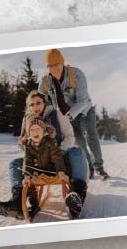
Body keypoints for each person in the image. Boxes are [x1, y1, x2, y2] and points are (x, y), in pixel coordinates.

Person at [0, 91, 89, 220]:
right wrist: (23, 143)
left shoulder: (56, 114)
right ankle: (17, 203)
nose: (35, 107)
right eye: (31, 104)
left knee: (77, 152)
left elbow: (70, 135)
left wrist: (59, 150)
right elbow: (24, 142)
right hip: (39, 161)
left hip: (59, 158)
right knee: (14, 163)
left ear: (44, 103)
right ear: (28, 107)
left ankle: (77, 196)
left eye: (38, 103)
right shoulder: (27, 119)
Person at [39, 49, 109, 179]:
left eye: (57, 64)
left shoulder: (76, 74)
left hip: (84, 111)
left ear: (62, 63)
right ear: (47, 67)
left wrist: (69, 115)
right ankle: (89, 168)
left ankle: (99, 166)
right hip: (67, 117)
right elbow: (39, 99)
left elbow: (83, 101)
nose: (54, 69)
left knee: (90, 135)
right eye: (51, 66)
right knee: (79, 143)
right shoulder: (46, 82)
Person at [19, 114, 81, 220]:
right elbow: (27, 160)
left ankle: (72, 197)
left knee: (68, 173)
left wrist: (61, 171)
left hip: (53, 169)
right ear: (28, 133)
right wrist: (26, 175)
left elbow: (56, 156)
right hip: (39, 169)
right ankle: (34, 202)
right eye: (32, 130)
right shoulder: (28, 145)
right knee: (28, 181)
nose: (35, 132)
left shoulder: (50, 141)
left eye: (38, 129)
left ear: (43, 131)